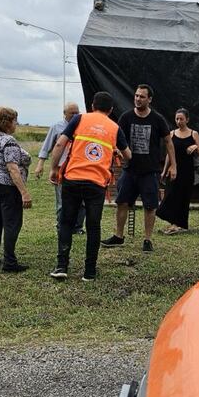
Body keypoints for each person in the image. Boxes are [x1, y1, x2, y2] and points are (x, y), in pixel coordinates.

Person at [48, 92, 131, 281]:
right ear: (111, 110)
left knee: (66, 222)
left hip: (73, 178)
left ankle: (61, 266)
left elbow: (60, 144)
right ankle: (89, 272)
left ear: (92, 106)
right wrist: (115, 149)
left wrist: (53, 168)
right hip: (96, 183)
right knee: (93, 226)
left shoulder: (79, 119)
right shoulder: (115, 128)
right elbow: (128, 155)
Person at [101, 84, 176, 252]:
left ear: (149, 99)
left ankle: (147, 240)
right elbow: (116, 138)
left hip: (150, 171)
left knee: (150, 206)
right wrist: (115, 150)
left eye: (142, 96)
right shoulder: (126, 117)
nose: (138, 99)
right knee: (122, 202)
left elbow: (168, 142)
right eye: (136, 96)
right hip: (130, 170)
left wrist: (173, 165)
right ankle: (118, 236)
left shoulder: (157, 119)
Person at [0, 107, 32, 272]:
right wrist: (24, 193)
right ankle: (10, 262)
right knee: (12, 223)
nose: (16, 124)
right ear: (7, 122)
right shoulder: (9, 141)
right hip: (7, 186)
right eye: (15, 120)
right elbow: (12, 169)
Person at [34, 101, 85, 235]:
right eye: (72, 113)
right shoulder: (56, 127)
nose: (75, 115)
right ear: (64, 114)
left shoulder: (83, 126)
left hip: (78, 169)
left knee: (81, 200)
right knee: (62, 200)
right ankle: (61, 225)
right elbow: (46, 147)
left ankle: (77, 227)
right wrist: (40, 164)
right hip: (61, 169)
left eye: (77, 113)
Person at [157, 108, 199, 234]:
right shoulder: (172, 134)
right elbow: (169, 154)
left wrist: (195, 147)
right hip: (173, 169)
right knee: (170, 195)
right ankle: (173, 222)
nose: (178, 121)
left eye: (181, 119)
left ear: (187, 119)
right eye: (177, 119)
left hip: (187, 170)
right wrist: (164, 171)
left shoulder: (194, 134)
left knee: (183, 197)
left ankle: (178, 224)